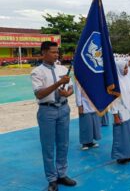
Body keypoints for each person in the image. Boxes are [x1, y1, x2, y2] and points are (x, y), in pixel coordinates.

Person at [30, 41, 76, 191]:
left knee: (63, 143)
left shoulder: (62, 68)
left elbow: (71, 89)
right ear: (43, 53)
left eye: (57, 52)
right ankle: (52, 178)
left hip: (63, 108)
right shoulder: (37, 72)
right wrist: (58, 84)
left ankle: (62, 174)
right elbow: (39, 93)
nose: (57, 55)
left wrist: (67, 93)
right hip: (47, 111)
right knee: (48, 146)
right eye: (53, 52)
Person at [111, 60, 130, 164]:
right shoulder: (115, 83)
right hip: (121, 111)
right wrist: (115, 115)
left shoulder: (127, 79)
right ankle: (120, 156)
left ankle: (128, 154)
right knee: (121, 134)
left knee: (129, 134)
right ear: (118, 69)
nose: (126, 70)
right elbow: (114, 100)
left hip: (129, 111)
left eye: (127, 68)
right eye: (124, 68)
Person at [75, 83, 101, 150]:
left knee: (93, 124)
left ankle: (91, 141)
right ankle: (85, 143)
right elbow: (78, 90)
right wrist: (79, 105)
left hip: (94, 101)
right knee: (85, 124)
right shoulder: (79, 75)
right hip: (84, 103)